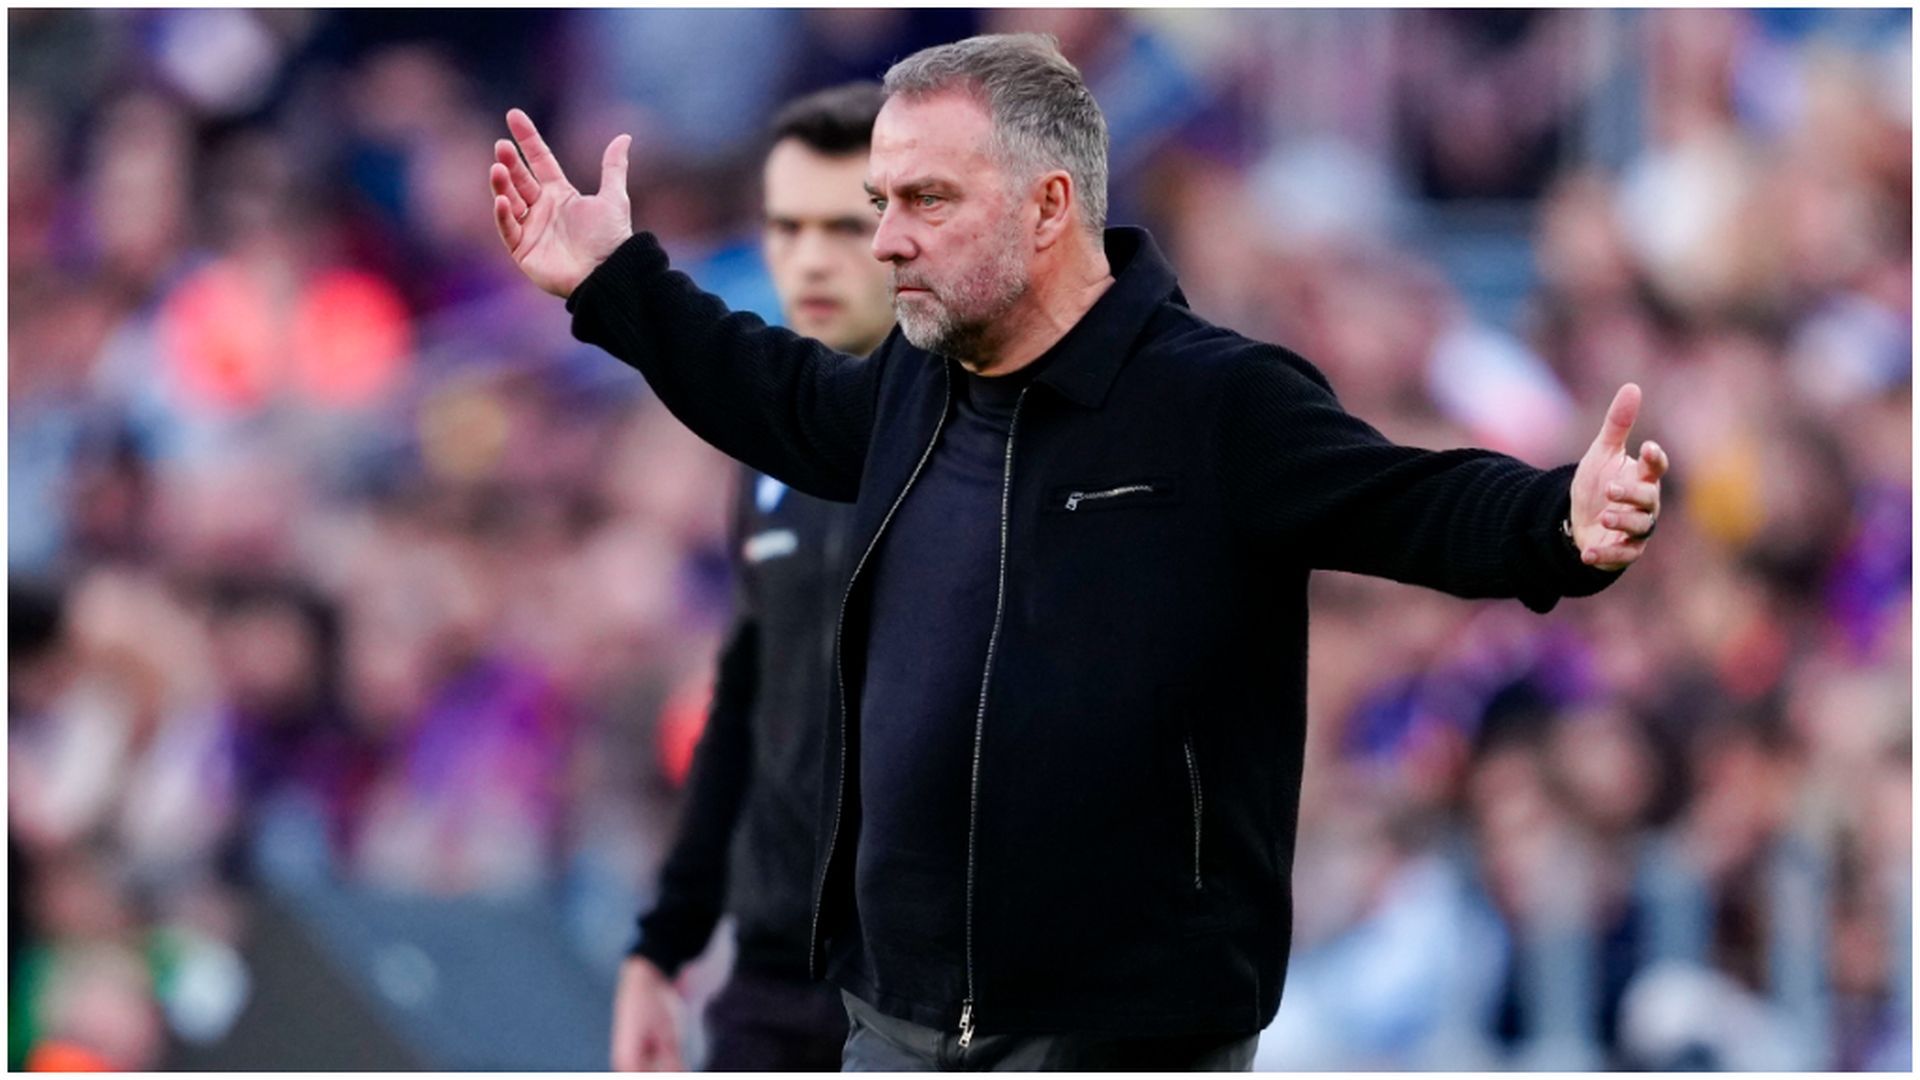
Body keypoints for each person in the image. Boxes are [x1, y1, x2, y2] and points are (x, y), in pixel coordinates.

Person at [489, 32, 1669, 1072]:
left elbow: (1410, 500)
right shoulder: (914, 382)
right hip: (893, 1025)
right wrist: (611, 280)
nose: (886, 241)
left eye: (927, 201)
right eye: (881, 200)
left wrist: (1563, 518)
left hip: (1122, 1037)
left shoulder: (1215, 403)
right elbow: (773, 391)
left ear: (1051, 207)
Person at [606, 83, 894, 1071]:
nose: (809, 257)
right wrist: (666, 942)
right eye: (786, 225)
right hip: (774, 971)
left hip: (925, 985)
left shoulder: (982, 442)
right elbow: (749, 691)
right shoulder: (767, 454)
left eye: (845, 225)